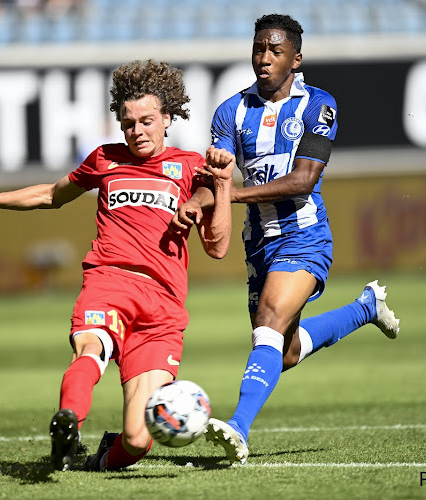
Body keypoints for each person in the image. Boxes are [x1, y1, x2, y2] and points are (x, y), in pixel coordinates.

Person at [0, 59, 235, 471]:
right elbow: (50, 195)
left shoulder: (188, 166)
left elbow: (217, 247)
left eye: (146, 120)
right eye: (128, 123)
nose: (137, 131)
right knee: (90, 351)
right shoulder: (104, 159)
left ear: (167, 118)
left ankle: (91, 461)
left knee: (138, 440)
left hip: (162, 307)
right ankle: (69, 422)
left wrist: (215, 188)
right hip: (108, 282)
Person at [171, 14, 401, 464]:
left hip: (304, 236)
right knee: (286, 350)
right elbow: (212, 182)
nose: (264, 58)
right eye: (259, 49)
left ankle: (237, 426)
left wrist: (229, 192)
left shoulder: (319, 105)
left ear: (295, 59)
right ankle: (365, 308)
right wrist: (198, 200)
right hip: (258, 244)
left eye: (275, 51)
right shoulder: (230, 111)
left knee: (269, 323)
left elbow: (302, 180)